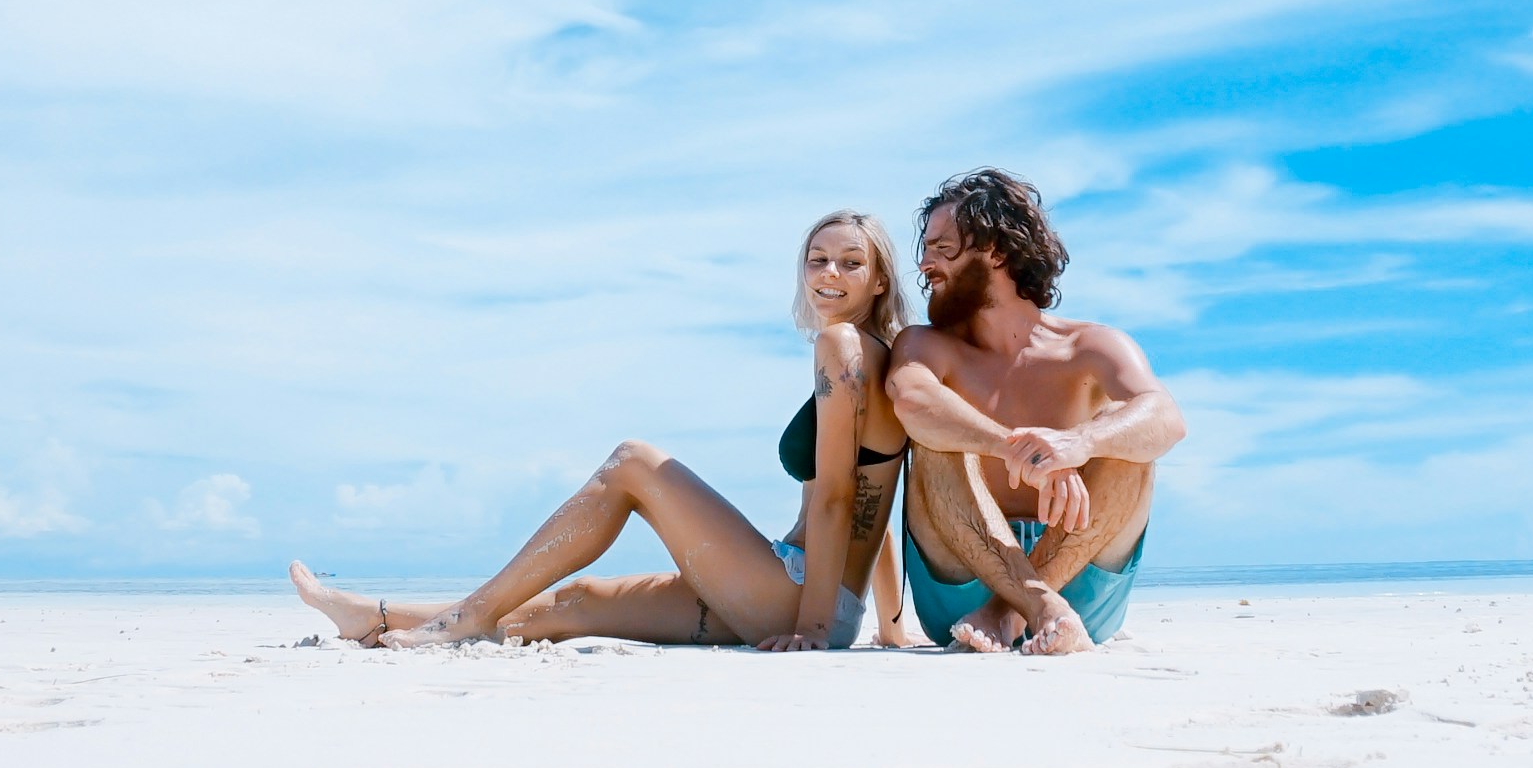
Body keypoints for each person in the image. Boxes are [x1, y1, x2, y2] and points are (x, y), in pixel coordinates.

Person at [289, 211, 927, 650]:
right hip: (806, 591)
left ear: (879, 280)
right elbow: (877, 487)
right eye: (818, 260)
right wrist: (881, 622)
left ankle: (466, 617)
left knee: (634, 462)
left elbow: (843, 500)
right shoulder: (875, 353)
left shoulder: (842, 347)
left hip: (794, 597)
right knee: (579, 603)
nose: (829, 275)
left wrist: (817, 628)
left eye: (850, 263)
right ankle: (371, 617)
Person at [885, 169, 1185, 656]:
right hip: (962, 578)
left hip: (1077, 575)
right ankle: (1035, 606)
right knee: (938, 439)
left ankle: (1011, 611)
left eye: (943, 248)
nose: (924, 264)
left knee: (1130, 439)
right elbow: (912, 400)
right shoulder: (925, 345)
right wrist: (1022, 449)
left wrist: (1080, 442)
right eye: (926, 249)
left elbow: (1166, 417)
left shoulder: (1091, 345)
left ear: (998, 252)